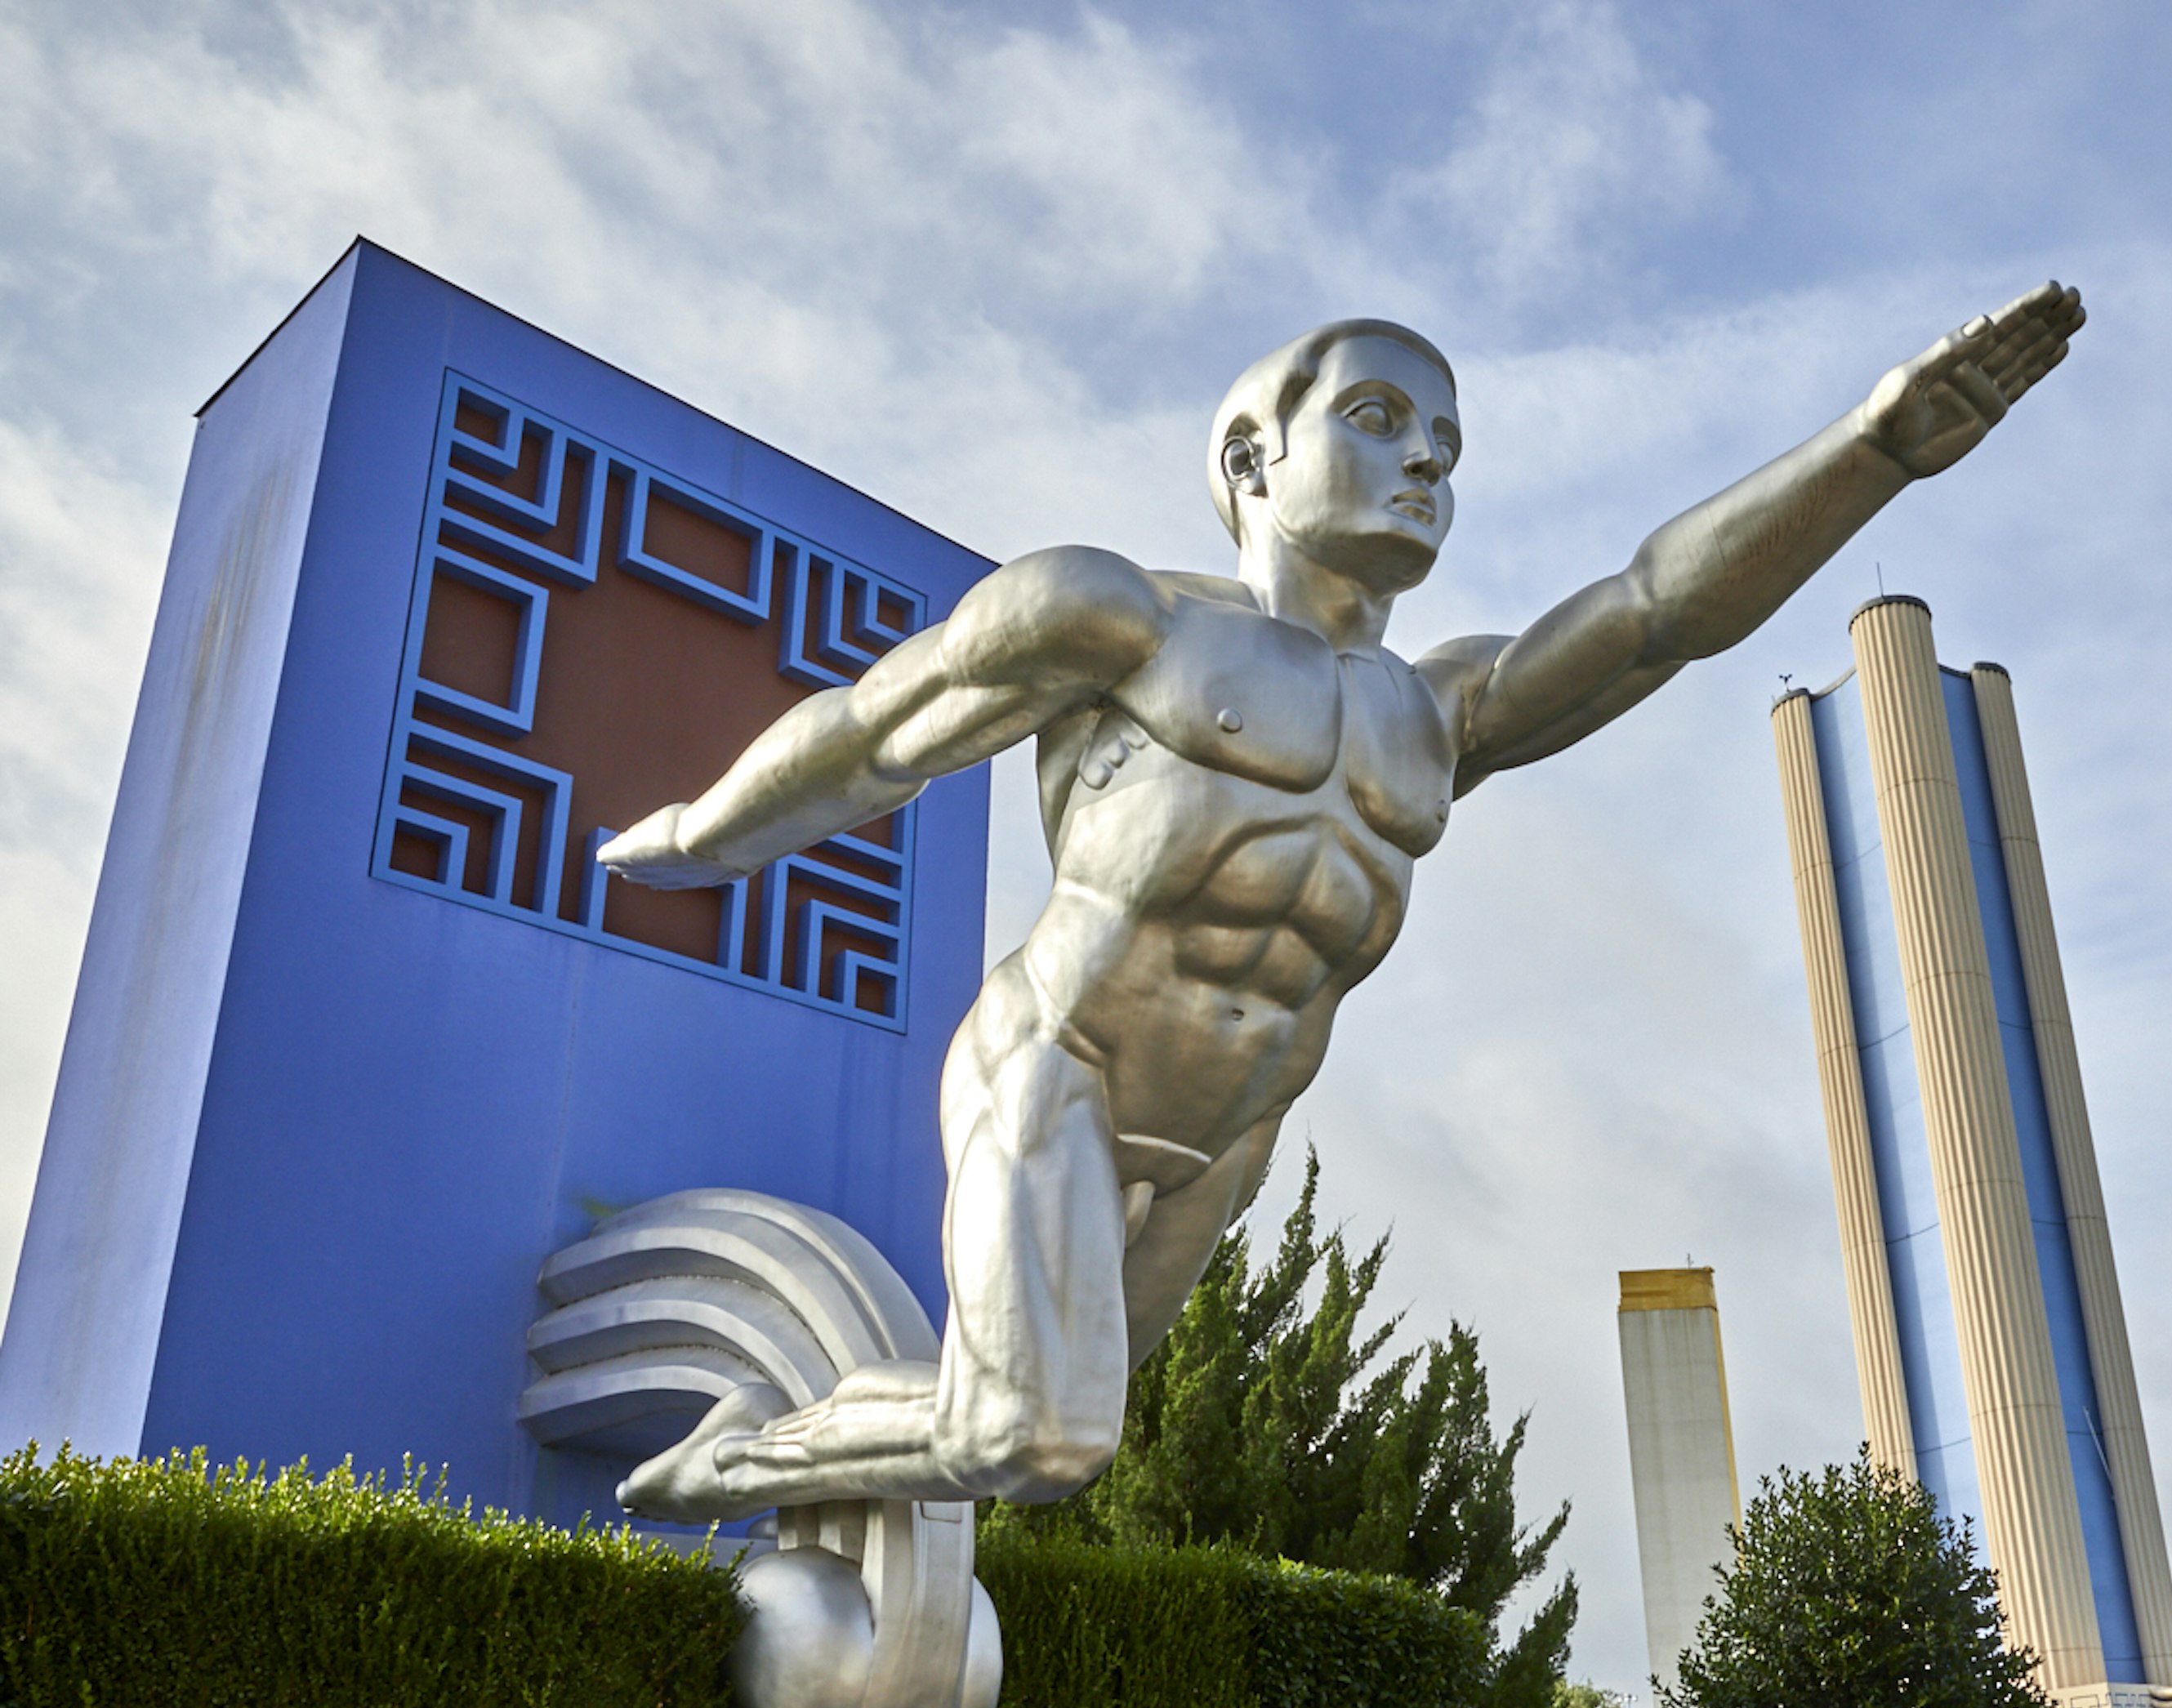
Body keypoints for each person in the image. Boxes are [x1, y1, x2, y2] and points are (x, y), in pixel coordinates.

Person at [609, 284, 2085, 1519]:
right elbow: (875, 734)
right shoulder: (1116, 617)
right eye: (1379, 420)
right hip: (1059, 1063)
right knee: (1030, 1438)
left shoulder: (1438, 709)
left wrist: (1872, 448)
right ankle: (747, 1451)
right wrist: (700, 832)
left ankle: (789, 1454)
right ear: (1251, 456)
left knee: (1036, 1438)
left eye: (1448, 441)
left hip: (1226, 1136)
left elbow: (1655, 612)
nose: (1428, 462)